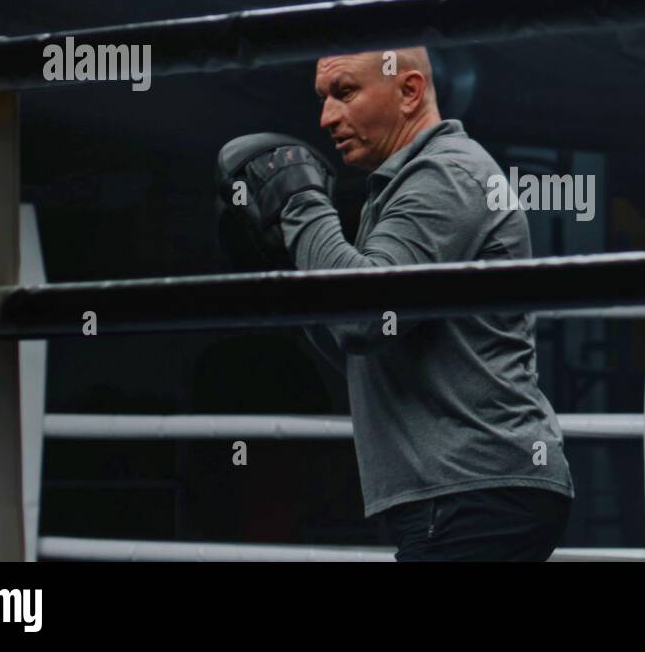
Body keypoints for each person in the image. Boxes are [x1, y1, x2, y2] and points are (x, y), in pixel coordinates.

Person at [216, 47, 573, 561]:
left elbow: (364, 317)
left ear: (408, 91)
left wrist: (299, 202)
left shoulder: (445, 176)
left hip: (474, 490)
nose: (326, 118)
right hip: (458, 493)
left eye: (344, 93)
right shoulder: (396, 191)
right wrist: (299, 267)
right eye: (322, 100)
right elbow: (359, 348)